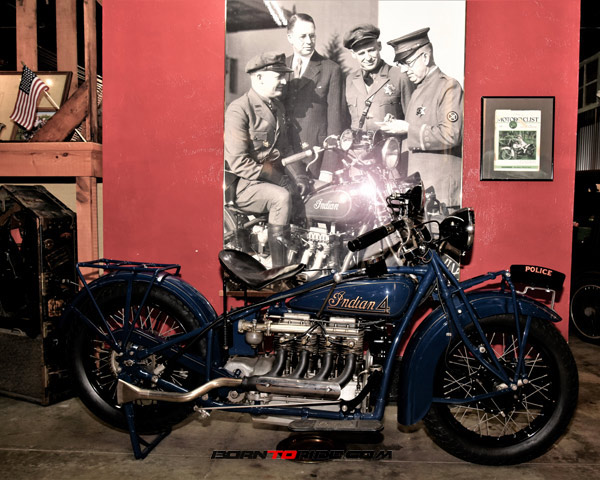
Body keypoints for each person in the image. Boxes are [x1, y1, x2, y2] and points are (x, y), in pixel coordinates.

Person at [224, 52, 308, 267]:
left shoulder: (277, 107)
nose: (284, 81)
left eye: (284, 76)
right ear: (259, 78)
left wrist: (299, 176)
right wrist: (277, 178)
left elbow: (285, 150)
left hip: (270, 179)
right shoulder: (239, 109)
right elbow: (238, 162)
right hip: (244, 184)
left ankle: (303, 259)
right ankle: (279, 272)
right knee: (280, 198)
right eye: (278, 76)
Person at [379, 28, 463, 209]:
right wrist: (395, 125)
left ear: (425, 57)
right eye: (401, 64)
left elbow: (451, 135)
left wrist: (407, 129)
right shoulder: (418, 89)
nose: (404, 70)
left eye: (408, 63)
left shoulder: (448, 87)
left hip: (440, 195)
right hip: (421, 192)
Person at [284, 13, 347, 183]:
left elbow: (335, 122)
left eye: (312, 36)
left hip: (313, 157)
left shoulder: (330, 69)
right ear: (290, 37)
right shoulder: (281, 67)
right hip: (283, 157)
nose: (309, 41)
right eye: (303, 36)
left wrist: (328, 167)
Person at [343, 24, 414, 132]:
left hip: (390, 141)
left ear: (379, 46)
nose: (368, 58)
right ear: (353, 54)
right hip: (358, 142)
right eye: (361, 53)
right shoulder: (350, 80)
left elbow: (412, 121)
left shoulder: (399, 76)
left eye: (371, 50)